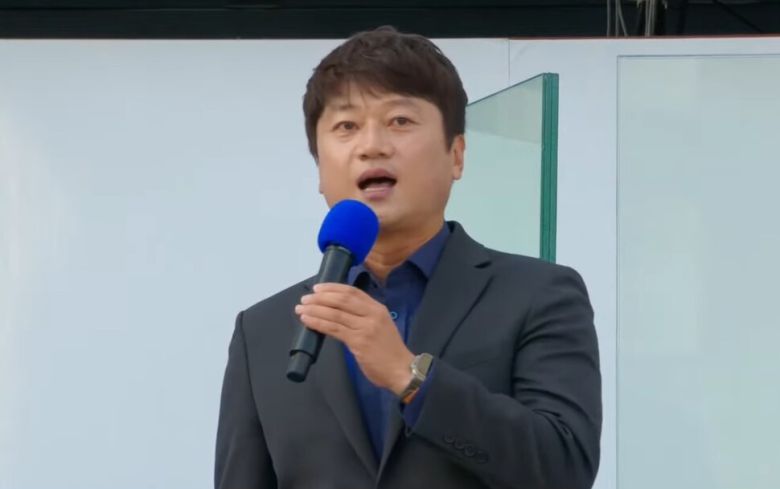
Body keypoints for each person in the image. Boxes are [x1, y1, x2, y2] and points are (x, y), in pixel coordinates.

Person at [215, 26, 601, 489]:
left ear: (456, 155)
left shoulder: (538, 295)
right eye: (346, 126)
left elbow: (564, 468)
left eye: (399, 120)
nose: (372, 145)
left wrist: (410, 376)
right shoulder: (264, 331)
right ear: (319, 167)